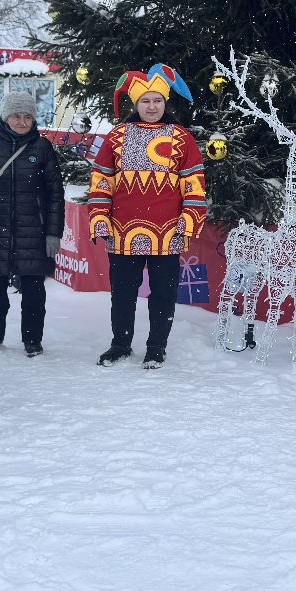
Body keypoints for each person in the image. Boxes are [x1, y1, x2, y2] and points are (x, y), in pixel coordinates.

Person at [87, 64, 206, 369]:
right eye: (145, 101)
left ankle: (156, 347)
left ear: (165, 103)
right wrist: (99, 215)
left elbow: (193, 183)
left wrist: (188, 219)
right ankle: (120, 344)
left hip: (167, 233)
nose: (151, 107)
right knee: (122, 293)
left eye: (157, 101)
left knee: (163, 294)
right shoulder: (116, 137)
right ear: (135, 104)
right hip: (122, 232)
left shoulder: (182, 138)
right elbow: (102, 180)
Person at [0, 87, 65, 358]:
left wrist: (53, 233)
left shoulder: (42, 147)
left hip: (33, 230)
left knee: (34, 291)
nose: (22, 122)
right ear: (5, 116)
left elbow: (55, 194)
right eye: (16, 116)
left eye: (28, 117)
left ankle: (33, 340)